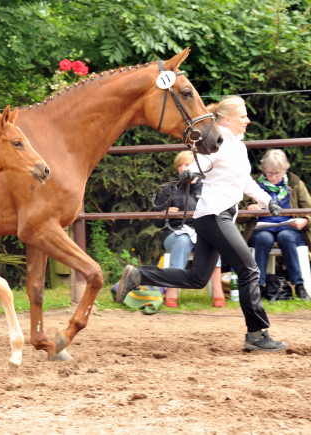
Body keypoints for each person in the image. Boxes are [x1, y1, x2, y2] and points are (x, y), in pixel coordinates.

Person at [116, 96, 287, 352]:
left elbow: (245, 182)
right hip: (215, 216)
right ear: (227, 119)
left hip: (215, 216)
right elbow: (201, 162)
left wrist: (268, 201)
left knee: (197, 278)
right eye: (243, 116)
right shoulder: (216, 142)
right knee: (249, 269)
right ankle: (256, 334)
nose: (248, 120)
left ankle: (140, 274)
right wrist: (192, 173)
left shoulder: (238, 146)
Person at [154, 150, 226, 308]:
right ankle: (172, 291)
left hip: (201, 233)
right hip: (175, 234)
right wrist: (164, 214)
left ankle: (217, 290)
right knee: (183, 240)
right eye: (179, 165)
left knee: (213, 239)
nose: (182, 168)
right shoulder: (170, 189)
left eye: (187, 164)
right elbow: (156, 222)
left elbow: (218, 215)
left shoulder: (208, 187)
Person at [243, 149, 311, 300]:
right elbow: (238, 214)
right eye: (269, 173)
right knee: (263, 239)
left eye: (277, 173)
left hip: (290, 229)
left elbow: (309, 209)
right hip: (262, 228)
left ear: (285, 170)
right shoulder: (253, 184)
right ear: (263, 170)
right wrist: (250, 210)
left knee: (286, 237)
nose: (273, 177)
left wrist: (305, 220)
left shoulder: (295, 183)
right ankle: (258, 287)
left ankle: (299, 285)